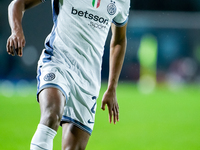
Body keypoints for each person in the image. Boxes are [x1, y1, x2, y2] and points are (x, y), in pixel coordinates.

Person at [6, 0, 130, 149]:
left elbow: (119, 40)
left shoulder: (121, 2)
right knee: (51, 114)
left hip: (88, 79)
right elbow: (18, 3)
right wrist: (16, 31)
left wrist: (112, 87)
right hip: (58, 61)